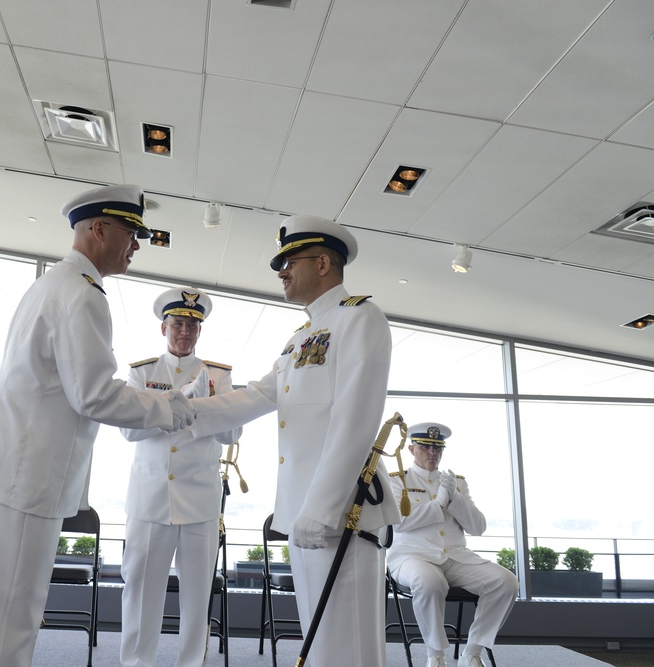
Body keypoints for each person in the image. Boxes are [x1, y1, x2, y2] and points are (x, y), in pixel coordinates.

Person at [0, 184, 196, 667]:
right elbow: (93, 395)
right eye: (131, 233)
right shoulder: (84, 295)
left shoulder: (51, 283)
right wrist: (169, 408)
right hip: (22, 478)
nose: (136, 245)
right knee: (10, 614)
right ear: (98, 229)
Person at [187, 215, 400, 666]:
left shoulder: (361, 318)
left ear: (323, 263)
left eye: (289, 260)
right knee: (321, 643)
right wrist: (181, 412)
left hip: (341, 513)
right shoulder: (301, 336)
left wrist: (322, 508)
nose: (281, 271)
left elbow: (355, 421)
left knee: (348, 647)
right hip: (304, 512)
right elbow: (260, 394)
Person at [119, 287, 242, 667]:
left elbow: (232, 433)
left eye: (191, 325)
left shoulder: (219, 376)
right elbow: (129, 429)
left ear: (199, 331)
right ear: (163, 328)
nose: (184, 332)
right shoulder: (141, 372)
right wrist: (182, 404)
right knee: (140, 591)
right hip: (150, 499)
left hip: (200, 501)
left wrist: (192, 408)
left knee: (196, 594)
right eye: (177, 324)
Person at [387, 422, 518, 667]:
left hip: (456, 557)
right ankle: (435, 656)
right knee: (429, 582)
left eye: (437, 448)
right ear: (411, 449)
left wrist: (455, 498)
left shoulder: (456, 482)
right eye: (425, 447)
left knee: (506, 582)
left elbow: (477, 527)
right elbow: (400, 523)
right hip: (411, 556)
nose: (432, 453)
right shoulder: (397, 481)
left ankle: (472, 652)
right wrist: (439, 503)